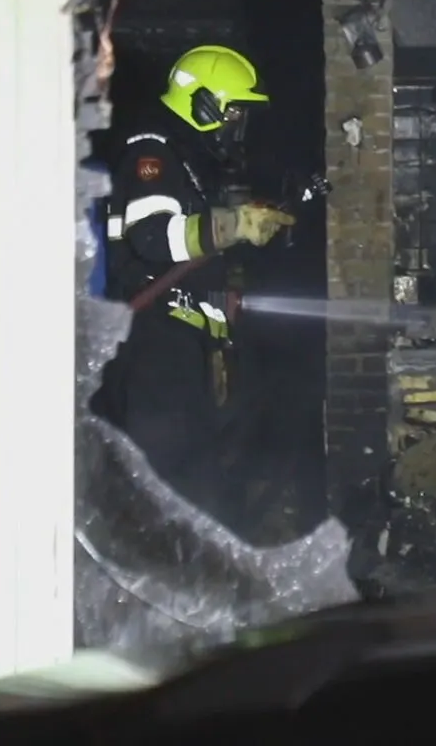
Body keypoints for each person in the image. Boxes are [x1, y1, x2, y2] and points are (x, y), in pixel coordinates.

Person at [89, 44, 297, 527]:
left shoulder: (187, 158)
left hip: (177, 342)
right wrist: (232, 226)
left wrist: (222, 329)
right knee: (169, 484)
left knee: (197, 475)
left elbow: (194, 264)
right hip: (150, 346)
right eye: (233, 110)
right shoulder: (151, 150)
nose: (237, 123)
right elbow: (151, 235)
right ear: (204, 104)